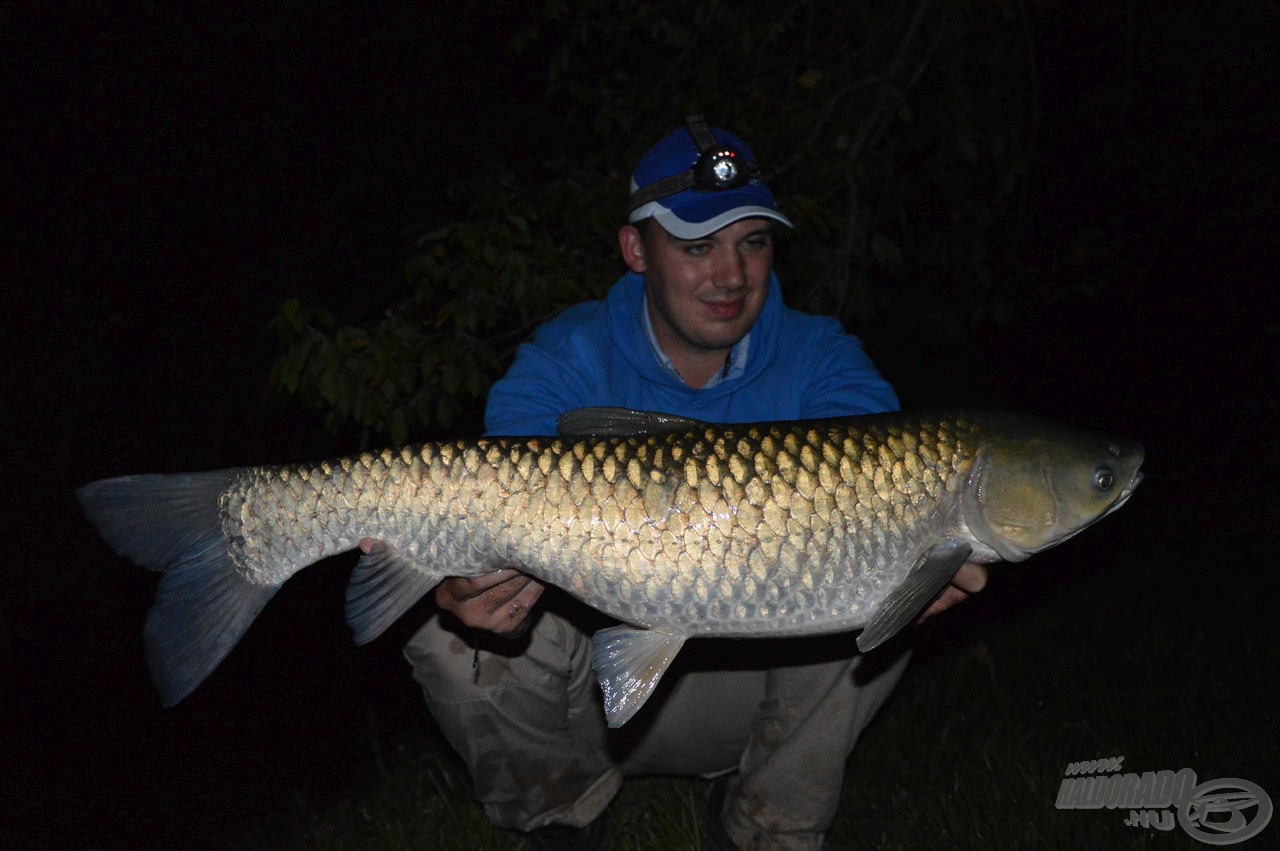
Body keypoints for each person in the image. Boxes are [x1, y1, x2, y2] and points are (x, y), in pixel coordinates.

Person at [399, 116, 988, 850]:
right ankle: (565, 812)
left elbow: (878, 499)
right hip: (590, 698)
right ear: (635, 248)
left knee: (872, 582)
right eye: (698, 245)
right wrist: (479, 589)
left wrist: (913, 568)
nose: (731, 275)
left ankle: (764, 825)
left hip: (755, 697)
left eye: (753, 242)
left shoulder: (825, 362)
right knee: (443, 632)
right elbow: (492, 520)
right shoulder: (561, 364)